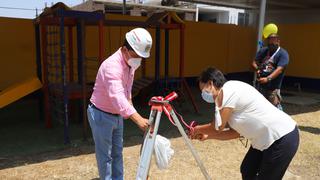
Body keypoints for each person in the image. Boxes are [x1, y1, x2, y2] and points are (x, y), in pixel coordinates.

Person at [190, 67, 299, 180]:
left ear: (210, 83)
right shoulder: (224, 100)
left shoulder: (228, 90)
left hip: (282, 137)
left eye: (203, 90)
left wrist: (197, 129)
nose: (203, 94)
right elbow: (235, 133)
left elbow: (217, 127)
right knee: (248, 169)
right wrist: (208, 136)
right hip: (265, 140)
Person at [87, 28, 152, 180]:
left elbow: (127, 93)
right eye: (137, 55)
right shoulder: (112, 66)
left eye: (141, 57)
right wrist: (138, 120)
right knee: (106, 156)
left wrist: (135, 114)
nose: (139, 59)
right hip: (101, 114)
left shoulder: (130, 64)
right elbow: (117, 97)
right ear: (125, 49)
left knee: (117, 153)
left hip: (117, 116)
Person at [252, 33, 289, 110]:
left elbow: (279, 69)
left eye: (273, 44)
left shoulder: (283, 54)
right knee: (260, 108)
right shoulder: (264, 51)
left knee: (274, 108)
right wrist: (257, 69)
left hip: (273, 87)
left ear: (278, 42)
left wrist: (268, 78)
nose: (271, 46)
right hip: (260, 85)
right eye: (269, 44)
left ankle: (281, 120)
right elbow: (254, 62)